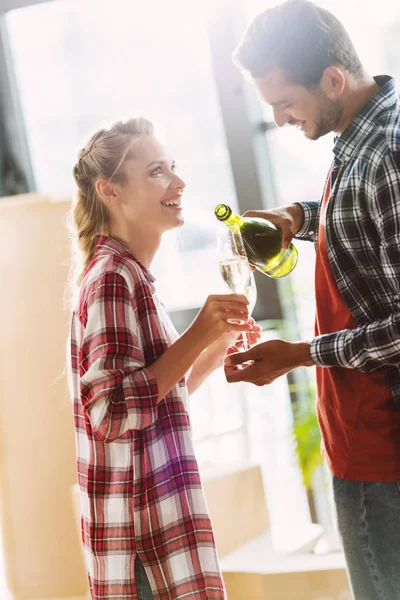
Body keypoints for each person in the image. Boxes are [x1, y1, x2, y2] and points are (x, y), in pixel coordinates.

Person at [225, 1, 400, 598]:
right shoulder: (365, 136)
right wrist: (298, 215)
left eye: (284, 102)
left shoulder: (388, 154)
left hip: (385, 449)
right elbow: (363, 220)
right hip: (364, 441)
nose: (278, 119)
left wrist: (299, 354)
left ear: (332, 79)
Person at [68, 116, 260, 600]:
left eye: (172, 167)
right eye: (156, 171)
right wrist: (196, 334)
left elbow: (148, 401)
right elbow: (110, 412)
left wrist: (213, 350)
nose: (178, 182)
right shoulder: (113, 277)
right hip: (144, 543)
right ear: (110, 190)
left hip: (157, 534)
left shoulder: (128, 275)